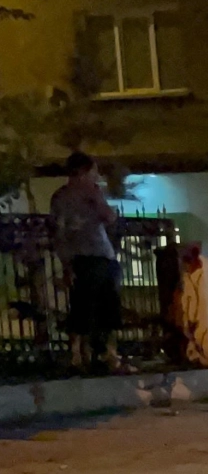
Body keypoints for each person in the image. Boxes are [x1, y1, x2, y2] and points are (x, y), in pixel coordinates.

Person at [51, 151, 124, 371]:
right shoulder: (69, 196)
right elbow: (60, 233)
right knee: (87, 307)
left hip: (97, 255)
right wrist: (66, 264)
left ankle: (101, 354)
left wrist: (97, 200)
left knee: (102, 306)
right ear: (83, 172)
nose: (96, 176)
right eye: (94, 171)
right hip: (86, 257)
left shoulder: (83, 194)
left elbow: (109, 218)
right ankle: (86, 354)